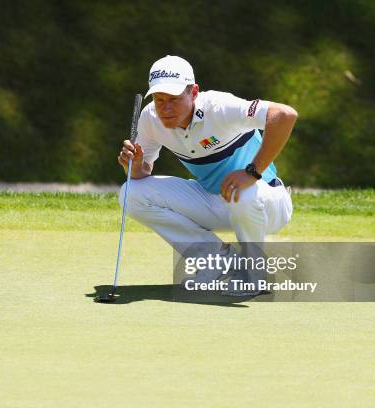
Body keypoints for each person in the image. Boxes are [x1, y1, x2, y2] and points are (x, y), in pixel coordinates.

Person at [117, 55, 298, 289]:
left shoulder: (220, 107)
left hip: (268, 204)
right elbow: (143, 174)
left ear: (193, 92)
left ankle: (255, 275)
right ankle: (215, 260)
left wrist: (252, 172)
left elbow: (284, 115)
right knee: (131, 192)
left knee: (241, 194)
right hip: (215, 201)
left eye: (173, 99)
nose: (165, 108)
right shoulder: (150, 117)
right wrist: (132, 165)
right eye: (160, 99)